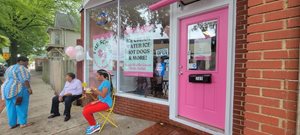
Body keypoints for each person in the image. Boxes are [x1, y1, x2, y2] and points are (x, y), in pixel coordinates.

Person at [1, 56, 33, 129]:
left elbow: (5, 78)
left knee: (10, 107)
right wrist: (29, 88)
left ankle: (12, 124)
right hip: (17, 89)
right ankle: (23, 123)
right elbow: (25, 80)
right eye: (26, 62)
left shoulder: (10, 67)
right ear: (21, 61)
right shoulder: (21, 68)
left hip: (6, 89)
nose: (27, 64)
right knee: (21, 106)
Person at [82, 69, 113, 134]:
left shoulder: (106, 82)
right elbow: (99, 94)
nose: (96, 77)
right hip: (101, 101)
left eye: (97, 75)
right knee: (85, 108)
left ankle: (94, 126)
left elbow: (103, 95)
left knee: (86, 111)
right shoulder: (104, 82)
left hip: (106, 103)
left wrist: (95, 89)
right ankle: (94, 124)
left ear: (102, 76)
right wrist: (92, 91)